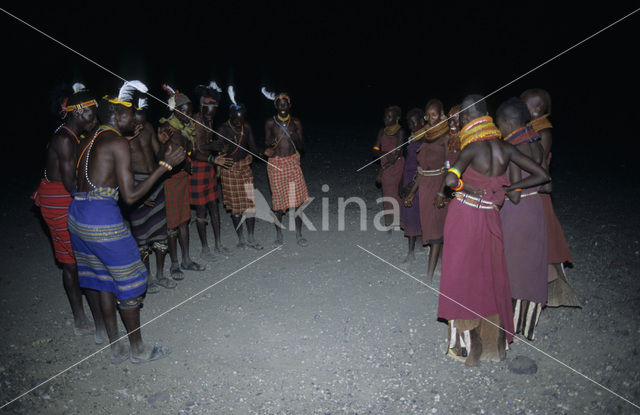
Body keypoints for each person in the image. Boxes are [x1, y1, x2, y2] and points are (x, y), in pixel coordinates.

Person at [68, 80, 186, 363]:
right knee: (131, 280)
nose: (135, 118)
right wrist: (165, 167)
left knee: (103, 280)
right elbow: (131, 196)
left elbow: (81, 181)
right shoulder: (117, 142)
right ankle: (138, 350)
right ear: (118, 115)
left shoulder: (88, 138)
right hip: (101, 220)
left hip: (77, 215)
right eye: (131, 113)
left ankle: (115, 344)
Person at [437, 94, 550, 366]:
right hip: (491, 216)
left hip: (465, 215)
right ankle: (494, 346)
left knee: (462, 276)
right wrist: (509, 189)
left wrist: (468, 187)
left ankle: (465, 347)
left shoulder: (472, 148)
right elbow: (542, 175)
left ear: (466, 118)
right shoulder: (505, 147)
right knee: (490, 275)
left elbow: (451, 179)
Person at [33, 83, 103, 339]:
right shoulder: (64, 140)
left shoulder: (73, 136)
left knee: (77, 261)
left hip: (63, 197)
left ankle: (91, 318)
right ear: (76, 113)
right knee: (74, 263)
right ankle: (85, 319)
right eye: (91, 114)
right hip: (58, 200)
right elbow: (72, 185)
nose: (95, 119)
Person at [521, 88, 580, 307]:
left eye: (524, 104)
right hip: (528, 191)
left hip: (536, 193)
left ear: (538, 109)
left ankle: (542, 300)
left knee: (542, 248)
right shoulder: (529, 128)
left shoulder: (543, 131)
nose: (521, 108)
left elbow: (539, 166)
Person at [496, 97, 547, 340]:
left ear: (506, 122)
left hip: (518, 211)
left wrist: (504, 190)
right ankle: (527, 325)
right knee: (530, 267)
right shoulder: (534, 138)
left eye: (498, 123)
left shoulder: (514, 145)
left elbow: (514, 194)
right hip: (535, 206)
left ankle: (510, 326)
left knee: (513, 267)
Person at [126, 96, 175, 292]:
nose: (139, 124)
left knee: (161, 232)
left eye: (142, 118)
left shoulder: (148, 128)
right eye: (135, 120)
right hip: (135, 184)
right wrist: (139, 193)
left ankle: (161, 274)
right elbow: (120, 171)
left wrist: (163, 143)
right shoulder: (120, 137)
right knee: (141, 236)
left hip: (155, 179)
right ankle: (148, 278)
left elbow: (159, 156)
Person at [158, 84, 205, 279]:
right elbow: (162, 156)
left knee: (184, 220)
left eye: (189, 111)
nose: (187, 114)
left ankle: (186, 260)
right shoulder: (166, 128)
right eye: (183, 110)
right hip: (169, 179)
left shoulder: (187, 128)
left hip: (182, 178)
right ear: (175, 110)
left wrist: (188, 157)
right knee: (171, 224)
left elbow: (189, 152)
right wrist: (185, 162)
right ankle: (174, 264)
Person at [405, 100, 450, 278]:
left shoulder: (446, 137)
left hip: (439, 184)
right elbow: (422, 170)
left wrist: (442, 191)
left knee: (437, 228)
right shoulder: (426, 135)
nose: (430, 119)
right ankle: (441, 263)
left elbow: (448, 167)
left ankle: (430, 274)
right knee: (430, 226)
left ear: (442, 114)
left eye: (434, 114)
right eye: (428, 115)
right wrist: (412, 192)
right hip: (425, 185)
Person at [215, 86, 262, 250]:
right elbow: (218, 149)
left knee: (250, 205)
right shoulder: (222, 129)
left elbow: (253, 147)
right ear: (230, 116)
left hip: (245, 168)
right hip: (229, 170)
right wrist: (221, 149)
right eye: (236, 120)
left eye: (241, 120)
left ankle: (251, 237)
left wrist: (263, 153)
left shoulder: (246, 127)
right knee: (235, 208)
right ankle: (240, 238)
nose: (239, 123)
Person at [190, 82, 233, 259]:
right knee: (201, 210)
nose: (211, 114)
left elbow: (207, 145)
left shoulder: (209, 119)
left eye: (214, 110)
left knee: (214, 206)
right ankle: (205, 248)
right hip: (198, 167)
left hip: (208, 167)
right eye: (209, 110)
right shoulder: (196, 121)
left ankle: (218, 244)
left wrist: (217, 149)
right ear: (202, 107)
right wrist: (213, 152)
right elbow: (194, 151)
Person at [262, 88, 310, 246]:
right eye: (279, 104)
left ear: (290, 105)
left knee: (297, 203)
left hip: (292, 162)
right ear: (276, 106)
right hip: (276, 164)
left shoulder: (296, 122)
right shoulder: (270, 122)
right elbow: (267, 143)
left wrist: (296, 136)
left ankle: (299, 234)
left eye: (285, 104)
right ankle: (279, 235)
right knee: (278, 203)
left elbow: (302, 147)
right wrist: (268, 149)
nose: (283, 107)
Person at [373, 106, 405, 228]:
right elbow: (375, 150)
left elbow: (398, 153)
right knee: (387, 193)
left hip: (397, 166)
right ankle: (390, 220)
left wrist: (382, 169)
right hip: (386, 164)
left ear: (397, 118)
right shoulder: (382, 131)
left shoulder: (400, 132)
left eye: (389, 116)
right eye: (386, 116)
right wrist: (384, 153)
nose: (386, 119)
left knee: (397, 193)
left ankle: (400, 220)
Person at [398, 108, 423, 262]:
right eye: (409, 122)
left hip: (418, 181)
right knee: (411, 212)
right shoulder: (413, 137)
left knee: (414, 212)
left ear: (422, 121)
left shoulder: (425, 139)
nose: (412, 125)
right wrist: (401, 181)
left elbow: (423, 166)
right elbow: (408, 161)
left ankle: (411, 251)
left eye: (414, 122)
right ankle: (417, 245)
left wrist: (412, 185)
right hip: (408, 177)